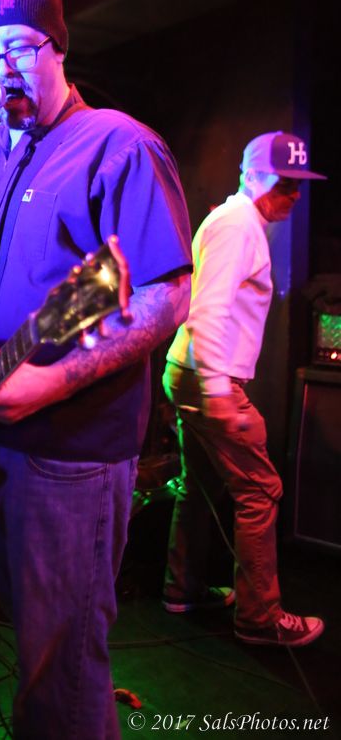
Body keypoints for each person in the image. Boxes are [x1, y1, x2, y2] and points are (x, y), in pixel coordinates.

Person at [0, 0, 192, 739]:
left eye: (20, 47)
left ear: (59, 46)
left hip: (70, 455)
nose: (1, 67)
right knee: (33, 644)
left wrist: (47, 383)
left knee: (59, 671)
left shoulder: (118, 146)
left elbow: (165, 296)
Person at [162, 131, 327, 647]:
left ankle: (182, 589)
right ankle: (260, 618)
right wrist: (218, 394)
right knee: (260, 490)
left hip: (190, 371)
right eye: (284, 183)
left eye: (298, 184)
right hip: (209, 377)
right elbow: (208, 310)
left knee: (199, 485)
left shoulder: (240, 222)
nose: (294, 194)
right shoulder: (238, 225)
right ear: (253, 176)